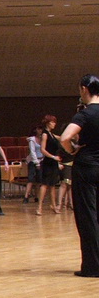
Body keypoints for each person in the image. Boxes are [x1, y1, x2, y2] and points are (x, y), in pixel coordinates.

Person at [60, 74, 99, 277]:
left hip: (86, 168)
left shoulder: (85, 114)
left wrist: (73, 150)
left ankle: (92, 266)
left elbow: (65, 138)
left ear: (84, 89)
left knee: (87, 216)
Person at [37, 115, 61, 216]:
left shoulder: (52, 134)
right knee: (45, 184)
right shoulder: (45, 134)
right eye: (52, 122)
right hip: (48, 162)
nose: (54, 124)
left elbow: (61, 138)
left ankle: (54, 206)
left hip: (54, 162)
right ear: (47, 123)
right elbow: (42, 149)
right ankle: (39, 207)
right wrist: (53, 157)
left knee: (52, 185)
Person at [24, 125, 43, 204]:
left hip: (41, 160)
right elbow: (32, 152)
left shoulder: (43, 139)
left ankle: (37, 196)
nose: (40, 131)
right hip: (33, 161)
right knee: (31, 179)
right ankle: (26, 197)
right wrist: (36, 162)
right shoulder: (32, 140)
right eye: (39, 129)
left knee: (39, 180)